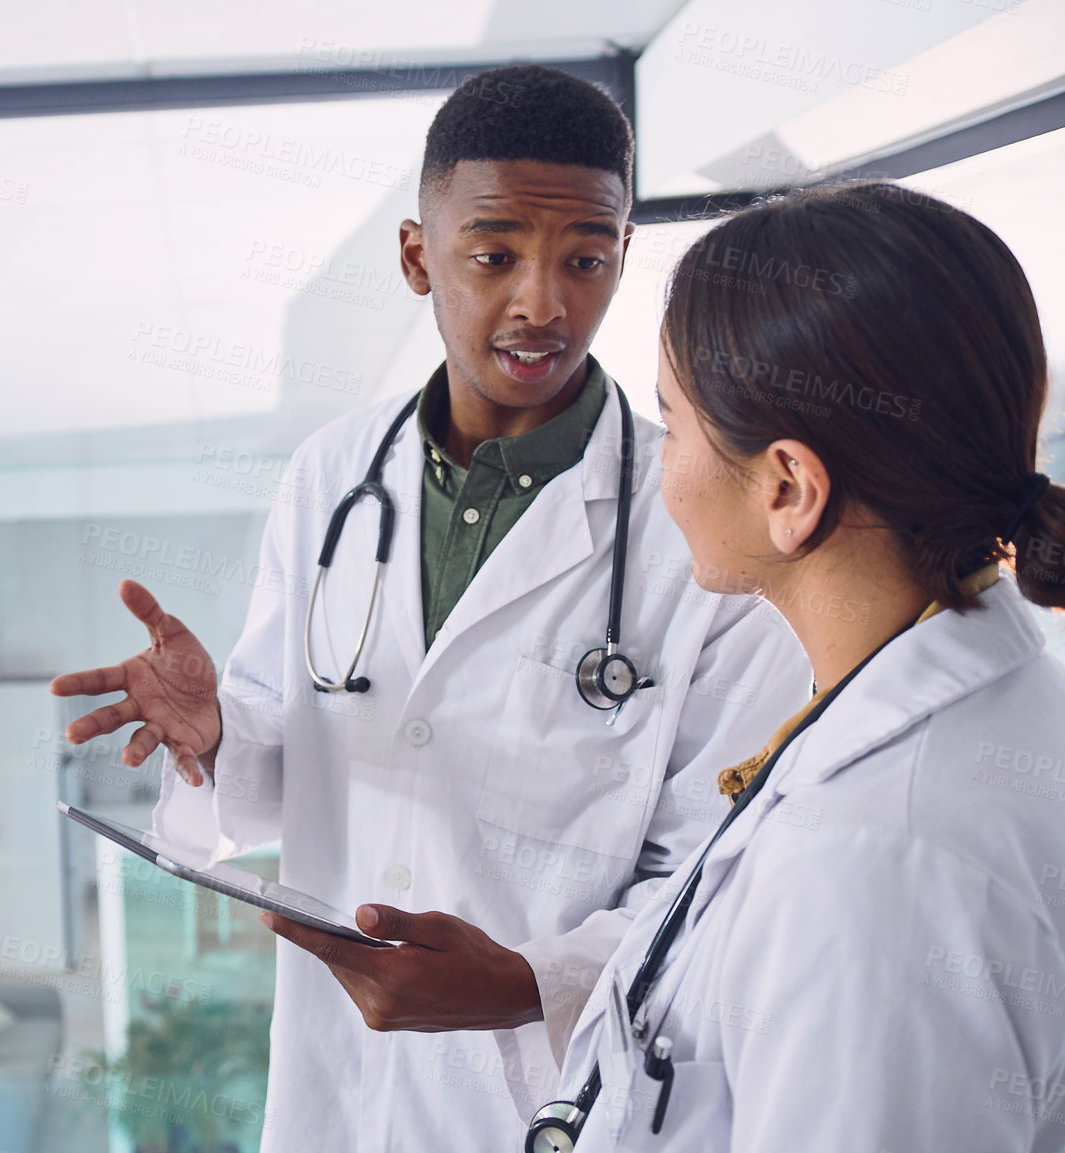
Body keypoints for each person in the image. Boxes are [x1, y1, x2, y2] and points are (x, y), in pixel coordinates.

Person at [51, 66, 810, 1150]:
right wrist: (220, 730)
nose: (543, 302)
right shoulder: (329, 475)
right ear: (417, 257)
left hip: (546, 1102)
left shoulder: (698, 522)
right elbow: (285, 758)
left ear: (623, 256)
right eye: (493, 254)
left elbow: (713, 879)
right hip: (335, 1088)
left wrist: (526, 984)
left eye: (584, 258)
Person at [541, 181, 1065, 1152]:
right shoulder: (976, 716)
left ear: (787, 487)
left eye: (673, 423)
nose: (662, 464)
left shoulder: (877, 865)